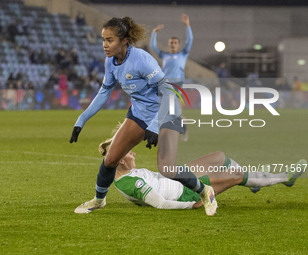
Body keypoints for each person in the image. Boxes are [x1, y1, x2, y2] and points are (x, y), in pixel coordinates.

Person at [70, 17, 217, 216]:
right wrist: (81, 120)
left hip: (166, 113)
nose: (105, 45)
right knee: (111, 158)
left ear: (124, 40)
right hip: (139, 114)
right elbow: (104, 91)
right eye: (103, 40)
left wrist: (155, 126)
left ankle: (205, 191)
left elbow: (167, 91)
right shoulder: (111, 62)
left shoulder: (142, 59)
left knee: (166, 168)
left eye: (109, 40)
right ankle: (98, 200)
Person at [89, 137, 306, 210]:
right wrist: (192, 204)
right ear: (118, 160)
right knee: (236, 176)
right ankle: (285, 177)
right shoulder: (128, 182)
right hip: (186, 193)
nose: (132, 151)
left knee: (220, 157)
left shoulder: (127, 172)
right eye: (128, 151)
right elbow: (159, 203)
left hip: (177, 178)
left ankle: (254, 181)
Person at [150, 13, 193, 141]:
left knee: (176, 111)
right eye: (171, 42)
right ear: (169, 44)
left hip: (177, 85)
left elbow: (190, 41)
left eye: (175, 42)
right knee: (160, 110)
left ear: (178, 44)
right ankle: (158, 132)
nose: (173, 44)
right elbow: (153, 46)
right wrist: (154, 33)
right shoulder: (164, 55)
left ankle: (184, 130)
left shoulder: (183, 54)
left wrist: (187, 26)